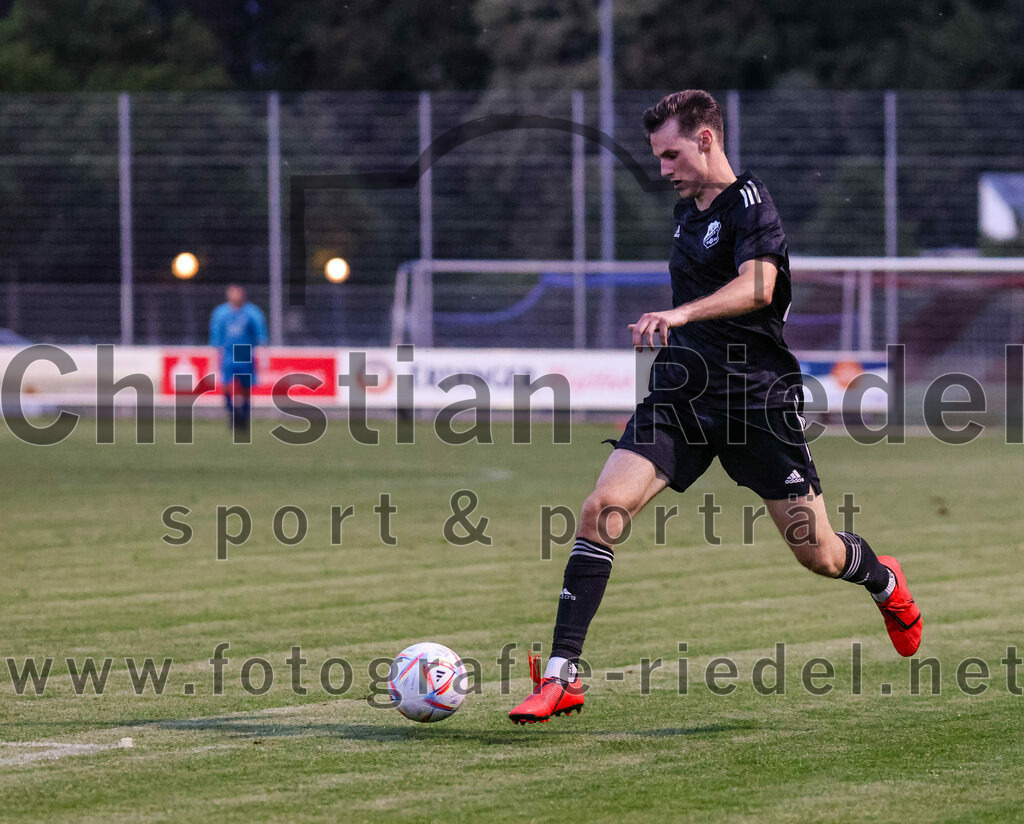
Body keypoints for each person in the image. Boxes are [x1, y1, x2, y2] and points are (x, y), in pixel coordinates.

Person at [509, 90, 922, 725]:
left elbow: (759, 286)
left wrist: (679, 313)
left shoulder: (751, 206)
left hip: (757, 399)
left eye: (671, 153)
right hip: (683, 393)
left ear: (706, 139)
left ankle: (882, 580)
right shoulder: (687, 211)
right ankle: (563, 675)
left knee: (818, 554)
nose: (663, 167)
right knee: (602, 509)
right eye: (657, 156)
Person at [209, 284, 268, 434]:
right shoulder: (221, 312)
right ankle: (232, 414)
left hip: (244, 351)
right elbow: (216, 334)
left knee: (245, 387)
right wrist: (215, 352)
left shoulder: (252, 312)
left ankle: (244, 416)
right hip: (228, 352)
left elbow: (260, 333)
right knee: (226, 385)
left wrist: (262, 350)